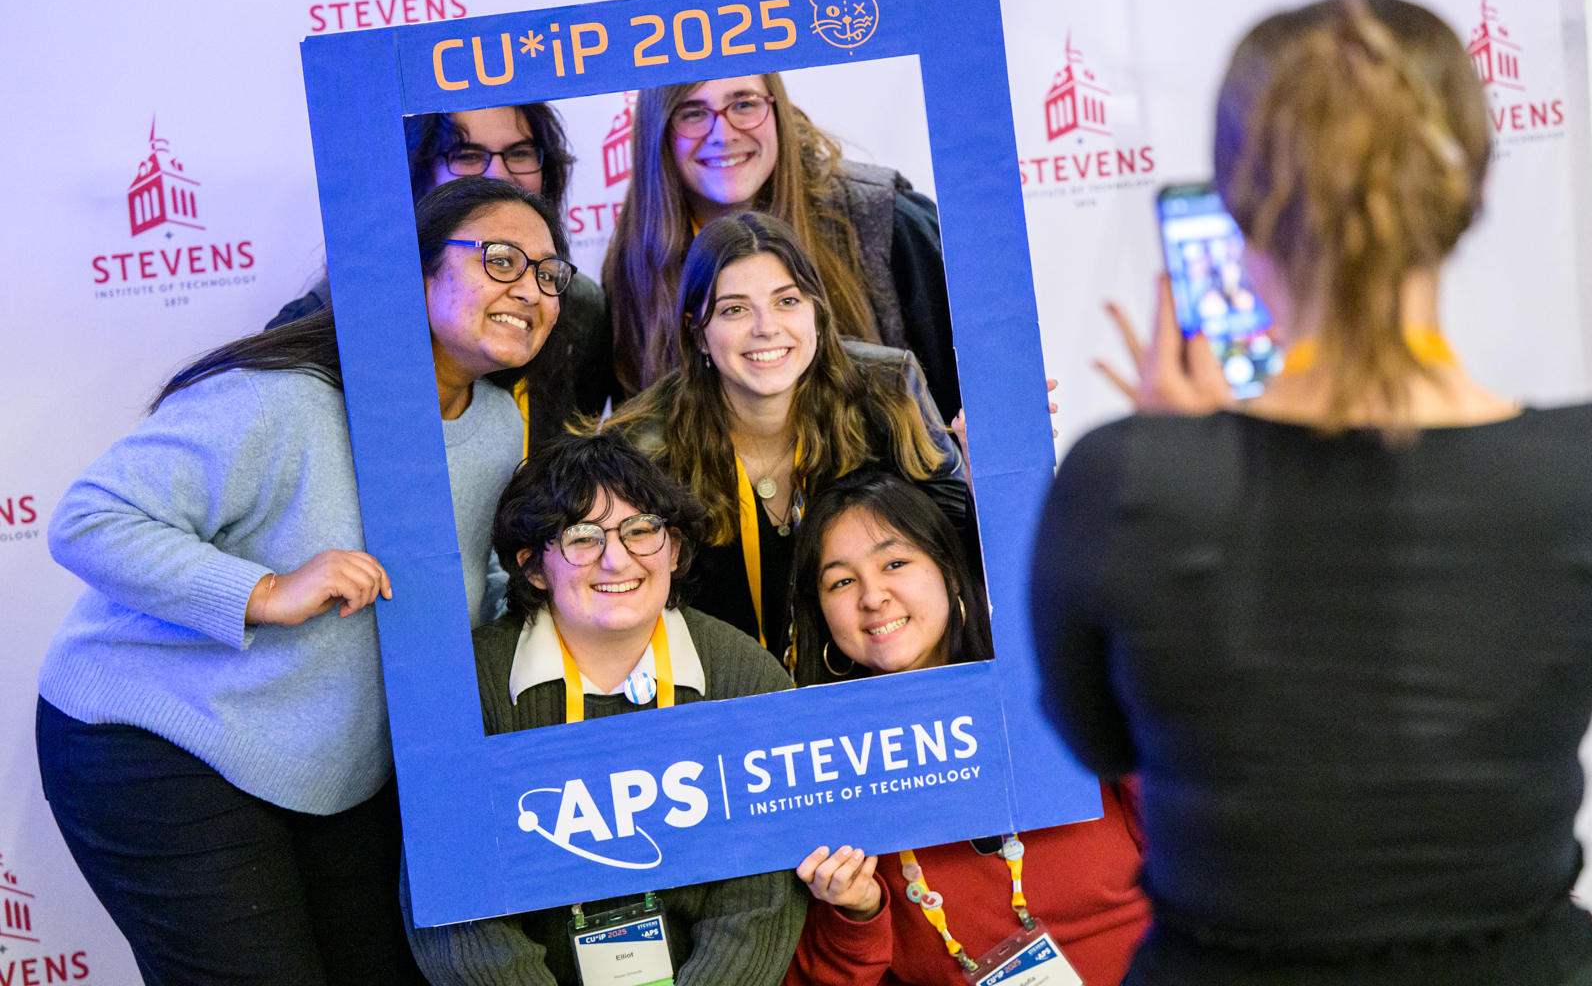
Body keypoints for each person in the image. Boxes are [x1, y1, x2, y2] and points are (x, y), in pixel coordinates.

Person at [1034, 0, 1592, 986]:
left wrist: (1183, 465)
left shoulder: (1128, 483)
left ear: (1239, 202)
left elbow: (1100, 735)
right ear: (1469, 187)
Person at [36, 177, 568, 984]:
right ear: (415, 272)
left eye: (549, 273)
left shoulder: (498, 426)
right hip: (166, 739)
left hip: (332, 770)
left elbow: (478, 591)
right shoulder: (282, 399)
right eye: (500, 260)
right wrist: (263, 590)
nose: (530, 289)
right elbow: (90, 520)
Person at [404, 432, 806, 986]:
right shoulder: (465, 689)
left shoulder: (747, 677)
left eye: (642, 531)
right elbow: (457, 914)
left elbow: (760, 898)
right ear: (533, 567)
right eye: (582, 538)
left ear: (675, 548)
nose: (616, 559)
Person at [781, 470, 1151, 986]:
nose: (872, 596)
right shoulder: (820, 769)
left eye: (895, 563)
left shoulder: (1057, 688)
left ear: (950, 573)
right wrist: (858, 913)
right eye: (841, 581)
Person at [600, 212, 971, 669]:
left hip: (866, 677)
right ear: (697, 331)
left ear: (816, 311)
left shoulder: (888, 390)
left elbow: (962, 541)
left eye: (787, 301)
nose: (766, 327)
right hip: (723, 699)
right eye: (734, 309)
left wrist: (993, 472)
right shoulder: (641, 446)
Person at [604, 75, 961, 422]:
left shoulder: (885, 219)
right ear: (659, 130)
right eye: (692, 113)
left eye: (744, 104)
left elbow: (959, 412)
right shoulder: (634, 256)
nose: (723, 135)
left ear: (776, 107)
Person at [269, 103, 611, 456]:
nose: (496, 175)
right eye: (466, 155)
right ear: (417, 174)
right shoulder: (329, 317)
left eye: (520, 153)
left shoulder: (578, 310)